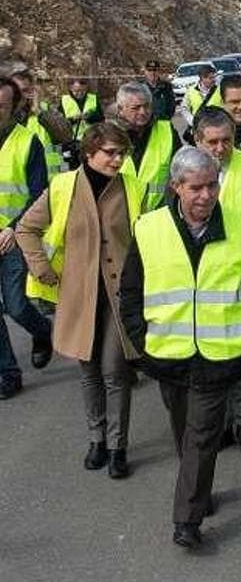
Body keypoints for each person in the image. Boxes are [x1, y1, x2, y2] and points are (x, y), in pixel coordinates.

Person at [119, 147, 241, 548]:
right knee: (185, 432)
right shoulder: (148, 228)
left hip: (220, 355)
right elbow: (130, 292)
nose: (205, 195)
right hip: (168, 355)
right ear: (176, 187)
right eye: (196, 187)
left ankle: (187, 519)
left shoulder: (238, 225)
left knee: (201, 434)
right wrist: (143, 342)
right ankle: (198, 488)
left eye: (212, 185)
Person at [17, 122, 143, 475]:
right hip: (78, 295)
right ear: (89, 153)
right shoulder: (62, 187)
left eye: (122, 153)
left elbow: (146, 236)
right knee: (88, 371)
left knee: (115, 372)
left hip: (121, 294)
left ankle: (118, 447)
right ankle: (97, 439)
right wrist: (42, 269)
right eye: (110, 153)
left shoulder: (133, 187)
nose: (117, 160)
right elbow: (27, 228)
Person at [191, 107, 241, 457]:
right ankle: (220, 423)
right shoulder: (185, 174)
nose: (221, 148)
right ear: (197, 140)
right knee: (211, 356)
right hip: (204, 282)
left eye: (227, 140)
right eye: (213, 142)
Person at [0, 75, 53, 399]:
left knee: (17, 306)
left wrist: (13, 228)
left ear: (13, 107)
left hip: (14, 236)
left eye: (2, 106)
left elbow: (38, 195)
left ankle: (43, 330)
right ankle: (8, 373)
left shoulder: (26, 142)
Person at [115, 81, 181, 210]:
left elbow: (181, 171)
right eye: (136, 108)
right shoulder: (109, 134)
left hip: (160, 211)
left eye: (147, 106)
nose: (143, 112)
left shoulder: (166, 130)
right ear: (120, 109)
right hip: (120, 213)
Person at [12, 70, 72, 174]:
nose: (20, 95)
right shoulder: (5, 114)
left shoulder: (45, 110)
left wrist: (39, 112)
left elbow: (66, 136)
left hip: (49, 178)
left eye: (25, 90)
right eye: (16, 90)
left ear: (32, 92)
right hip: (16, 179)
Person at [61, 77, 103, 141]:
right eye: (76, 91)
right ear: (70, 89)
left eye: (82, 91)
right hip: (72, 139)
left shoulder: (93, 98)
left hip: (91, 138)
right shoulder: (64, 100)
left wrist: (89, 117)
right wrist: (73, 119)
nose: (80, 93)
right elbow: (60, 122)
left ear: (86, 88)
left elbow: (101, 118)